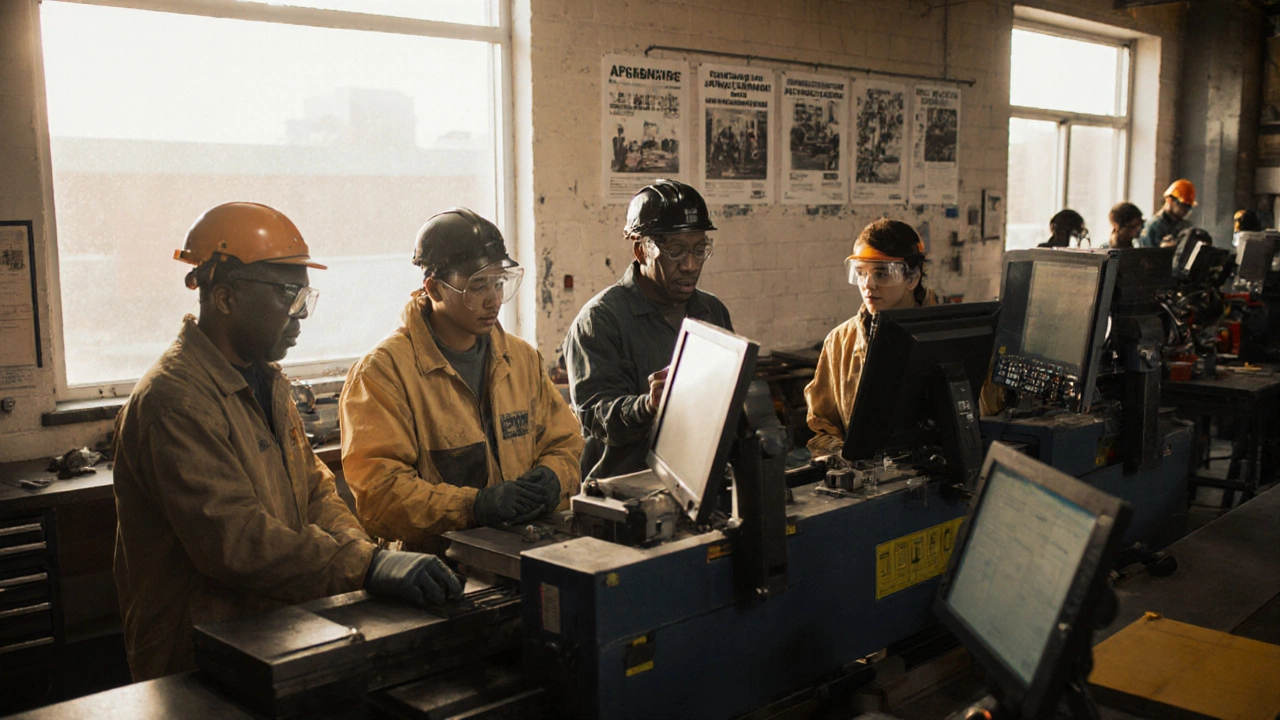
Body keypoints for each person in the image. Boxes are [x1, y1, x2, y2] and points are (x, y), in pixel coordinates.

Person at [112, 202, 462, 682]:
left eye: (304, 296)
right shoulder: (175, 401)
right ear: (226, 298)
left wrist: (362, 553)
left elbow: (313, 488)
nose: (300, 315)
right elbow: (234, 540)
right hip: (197, 656)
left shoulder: (265, 378)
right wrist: (367, 565)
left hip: (271, 632)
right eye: (287, 295)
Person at [340, 209, 583, 555]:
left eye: (499, 282)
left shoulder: (520, 359)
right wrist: (474, 506)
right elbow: (381, 496)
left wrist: (555, 477)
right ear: (434, 288)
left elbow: (565, 443)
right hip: (437, 567)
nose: (494, 300)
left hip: (524, 550)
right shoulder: (383, 374)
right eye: (477, 286)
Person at [563, 179, 732, 480]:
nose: (691, 265)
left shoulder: (712, 312)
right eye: (677, 251)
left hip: (697, 483)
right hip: (622, 494)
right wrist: (648, 405)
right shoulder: (599, 322)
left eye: (699, 249)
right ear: (641, 250)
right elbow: (594, 417)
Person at [805, 219, 937, 459]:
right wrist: (843, 460)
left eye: (881, 274)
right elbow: (823, 429)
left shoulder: (950, 332)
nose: (868, 285)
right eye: (861, 273)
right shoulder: (840, 342)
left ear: (912, 278)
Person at [1139, 179, 1196, 248]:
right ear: (1170, 200)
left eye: (1189, 206)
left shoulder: (1186, 226)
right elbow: (1146, 254)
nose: (1186, 209)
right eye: (1183, 204)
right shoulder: (1153, 227)